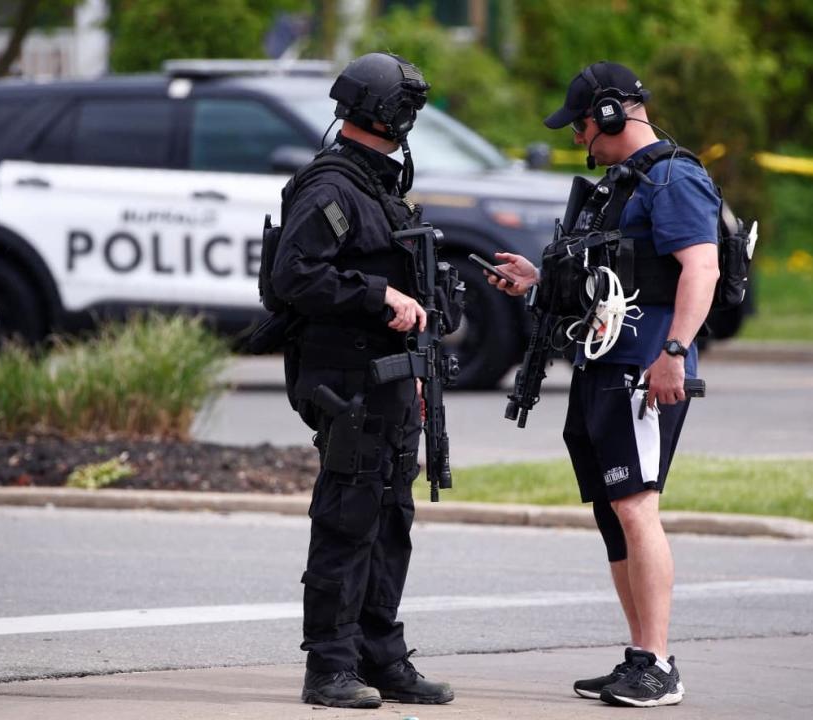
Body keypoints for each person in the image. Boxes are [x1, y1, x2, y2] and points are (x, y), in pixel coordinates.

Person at [487, 61, 721, 707]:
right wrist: (538, 281)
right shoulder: (625, 184)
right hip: (603, 366)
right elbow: (615, 275)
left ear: (613, 114)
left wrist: (673, 352)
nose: (577, 139)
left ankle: (659, 665)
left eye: (582, 124)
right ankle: (640, 657)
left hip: (643, 371)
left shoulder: (674, 178)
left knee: (636, 504)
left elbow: (701, 264)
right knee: (614, 514)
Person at [270, 52, 454, 709]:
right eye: (409, 109)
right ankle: (329, 668)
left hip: (392, 383)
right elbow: (293, 279)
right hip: (347, 378)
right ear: (390, 113)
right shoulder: (332, 188)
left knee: (391, 518)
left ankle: (381, 656)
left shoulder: (378, 187)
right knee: (348, 519)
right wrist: (378, 298)